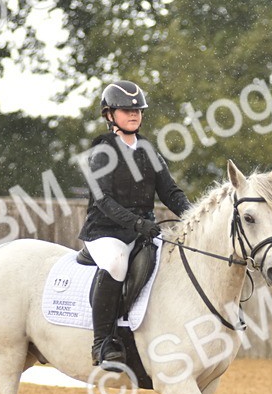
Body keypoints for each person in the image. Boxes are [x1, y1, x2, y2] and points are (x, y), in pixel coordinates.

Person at [78, 80, 192, 368]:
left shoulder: (148, 151)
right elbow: (103, 200)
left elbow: (170, 192)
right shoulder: (101, 153)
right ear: (109, 115)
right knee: (116, 263)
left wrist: (194, 216)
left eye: (138, 110)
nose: (134, 115)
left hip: (143, 230)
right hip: (105, 232)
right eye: (126, 110)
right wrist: (137, 223)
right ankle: (102, 342)